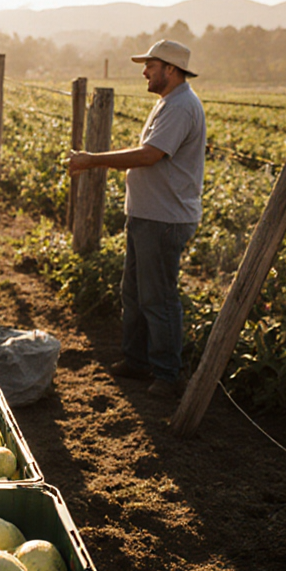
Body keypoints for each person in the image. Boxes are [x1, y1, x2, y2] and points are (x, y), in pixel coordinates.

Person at [68, 40, 206, 398]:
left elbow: (149, 156)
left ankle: (167, 374)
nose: (144, 71)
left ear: (171, 70)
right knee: (135, 293)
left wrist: (90, 160)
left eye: (151, 65)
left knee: (158, 298)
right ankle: (137, 360)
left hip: (164, 219)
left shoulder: (180, 107)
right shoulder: (169, 103)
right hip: (148, 215)